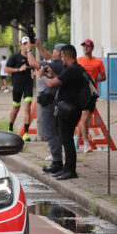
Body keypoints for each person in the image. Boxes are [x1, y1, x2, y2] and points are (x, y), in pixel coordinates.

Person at [41, 45, 85, 180]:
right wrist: (51, 75)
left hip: (69, 109)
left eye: (63, 57)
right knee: (65, 139)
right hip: (72, 108)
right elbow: (60, 80)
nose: (62, 59)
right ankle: (67, 168)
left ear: (67, 56)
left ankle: (71, 170)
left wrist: (41, 75)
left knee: (67, 140)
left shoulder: (72, 69)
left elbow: (52, 84)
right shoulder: (76, 69)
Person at [27, 39, 65, 174]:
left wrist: (28, 49)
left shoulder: (57, 64)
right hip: (56, 101)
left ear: (60, 53)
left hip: (49, 102)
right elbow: (48, 58)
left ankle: (56, 161)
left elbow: (33, 63)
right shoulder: (60, 64)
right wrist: (38, 45)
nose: (52, 52)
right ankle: (57, 157)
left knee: (49, 132)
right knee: (57, 131)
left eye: (55, 50)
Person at [77, 39, 106, 153]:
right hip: (81, 93)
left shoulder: (98, 62)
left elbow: (104, 77)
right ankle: (86, 143)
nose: (85, 48)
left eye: (88, 46)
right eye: (84, 46)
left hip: (92, 93)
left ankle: (76, 140)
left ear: (92, 48)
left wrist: (96, 79)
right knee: (84, 118)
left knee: (86, 119)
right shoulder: (79, 61)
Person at [4, 36, 35, 140]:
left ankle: (26, 134)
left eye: (28, 43)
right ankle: (10, 128)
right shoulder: (14, 56)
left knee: (27, 107)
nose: (26, 45)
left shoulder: (31, 56)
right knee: (16, 108)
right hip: (17, 85)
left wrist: (34, 74)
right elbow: (6, 69)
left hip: (28, 85)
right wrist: (18, 69)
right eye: (24, 43)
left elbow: (35, 68)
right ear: (20, 45)